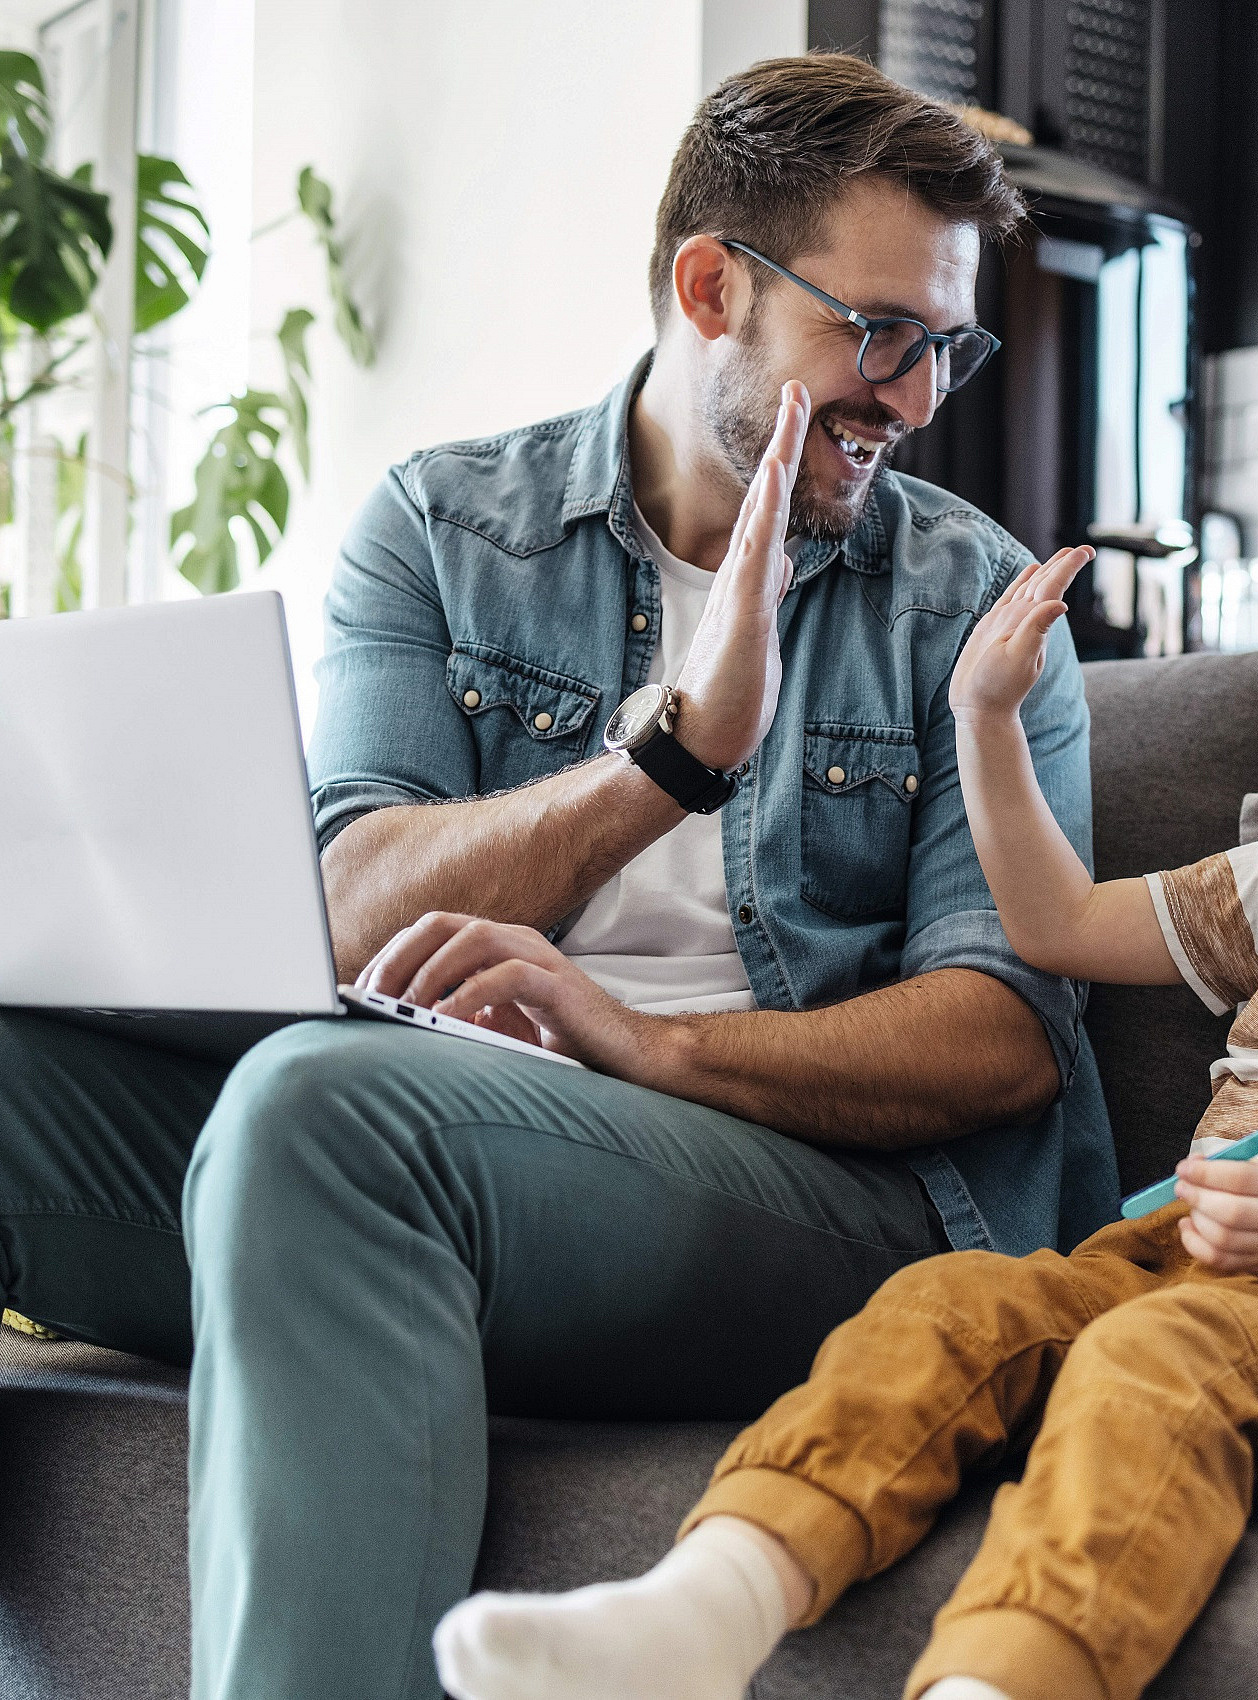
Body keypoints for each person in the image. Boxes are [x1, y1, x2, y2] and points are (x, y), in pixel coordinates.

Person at [0, 55, 1118, 1700]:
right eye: (880, 336)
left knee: (325, 1112)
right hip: (442, 1125)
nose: (918, 398)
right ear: (713, 285)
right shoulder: (444, 529)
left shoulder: (971, 601)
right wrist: (669, 762)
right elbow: (350, 905)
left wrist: (642, 1042)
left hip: (825, 1203)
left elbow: (1005, 1029)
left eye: (947, 345)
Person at [432, 467, 1258, 1700]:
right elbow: (1051, 923)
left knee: (1157, 1358)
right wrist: (983, 722)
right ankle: (704, 1613)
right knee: (949, 1307)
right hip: (1180, 1265)